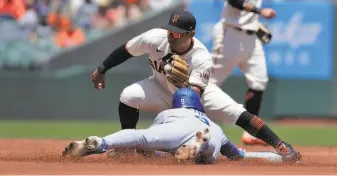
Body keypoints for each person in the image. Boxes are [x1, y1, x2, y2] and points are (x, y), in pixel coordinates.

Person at [90, 10, 300, 162]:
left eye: (177, 33)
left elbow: (194, 94)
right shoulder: (155, 38)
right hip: (160, 88)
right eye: (170, 31)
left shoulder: (200, 57)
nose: (171, 35)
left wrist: (182, 85)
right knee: (129, 95)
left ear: (191, 34)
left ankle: (282, 146)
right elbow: (126, 50)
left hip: (197, 99)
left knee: (237, 112)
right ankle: (128, 146)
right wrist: (102, 69)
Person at [62, 87, 284, 164]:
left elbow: (145, 139)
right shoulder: (211, 122)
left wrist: (132, 150)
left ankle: (100, 142)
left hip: (174, 129)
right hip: (211, 134)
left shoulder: (168, 112)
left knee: (142, 138)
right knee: (211, 156)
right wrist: (278, 157)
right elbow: (238, 156)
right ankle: (201, 146)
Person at [210, 0, 276, 145]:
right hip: (230, 34)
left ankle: (250, 132)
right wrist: (259, 11)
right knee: (208, 83)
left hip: (250, 37)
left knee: (259, 81)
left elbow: (246, 3)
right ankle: (188, 126)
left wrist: (255, 24)